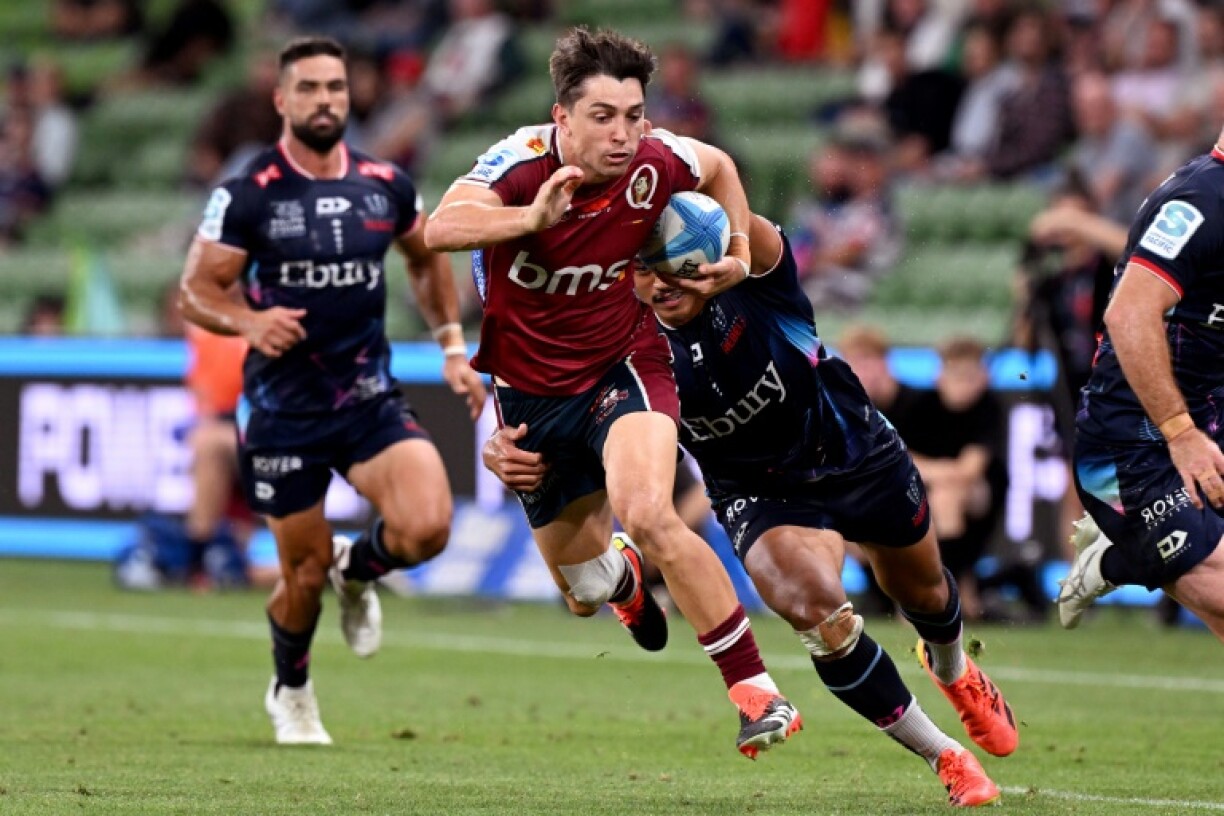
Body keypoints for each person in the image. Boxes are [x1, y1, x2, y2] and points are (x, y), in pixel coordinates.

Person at [484, 214, 1019, 807]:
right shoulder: (623, 349)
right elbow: (558, 411)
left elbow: (723, 182)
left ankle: (953, 672)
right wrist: (501, 446)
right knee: (820, 618)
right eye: (643, 269)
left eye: (676, 264)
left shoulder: (755, 276)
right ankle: (944, 753)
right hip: (758, 492)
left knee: (922, 593)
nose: (662, 281)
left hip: (853, 448)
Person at [423, 27, 801, 758]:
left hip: (622, 367)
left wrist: (741, 255)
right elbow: (443, 226)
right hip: (531, 398)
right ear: (561, 118)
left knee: (651, 511)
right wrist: (529, 221)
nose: (623, 133)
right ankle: (625, 580)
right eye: (603, 117)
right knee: (583, 593)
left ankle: (757, 693)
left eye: (633, 114)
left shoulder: (657, 161)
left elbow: (718, 165)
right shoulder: (521, 167)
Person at [179, 36, 486, 745]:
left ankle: (362, 564)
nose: (326, 100)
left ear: (351, 97)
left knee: (429, 526)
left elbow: (425, 259)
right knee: (301, 575)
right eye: (310, 88)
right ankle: (291, 687)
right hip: (286, 414)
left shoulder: (383, 182)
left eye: (336, 88)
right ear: (282, 100)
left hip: (368, 399)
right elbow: (197, 291)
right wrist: (249, 321)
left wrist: (449, 348)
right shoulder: (249, 194)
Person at [1058, 133, 1224, 643]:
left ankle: (1118, 557)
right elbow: (1128, 312)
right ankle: (1126, 554)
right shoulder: (1200, 202)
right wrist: (1180, 433)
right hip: (1135, 444)